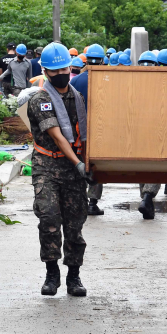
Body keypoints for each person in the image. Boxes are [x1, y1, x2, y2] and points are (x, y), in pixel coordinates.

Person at [29, 42, 90, 297]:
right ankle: (52, 274)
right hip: (47, 166)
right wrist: (78, 162)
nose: (59, 74)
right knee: (50, 220)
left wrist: (87, 162)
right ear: (45, 71)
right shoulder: (40, 98)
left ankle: (74, 276)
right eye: (53, 71)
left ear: (70, 67)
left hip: (73, 168)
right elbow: (56, 135)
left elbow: (86, 134)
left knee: (75, 224)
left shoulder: (78, 97)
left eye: (63, 69)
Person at [134, 49, 167, 220]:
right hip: (161, 128)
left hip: (140, 128)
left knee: (142, 163)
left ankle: (146, 198)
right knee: (158, 164)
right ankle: (147, 197)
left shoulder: (136, 81)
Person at [70, 44, 106, 216]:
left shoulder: (76, 81)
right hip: (100, 130)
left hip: (78, 132)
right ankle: (92, 203)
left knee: (79, 163)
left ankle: (78, 201)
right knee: (95, 165)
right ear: (102, 60)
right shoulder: (107, 79)